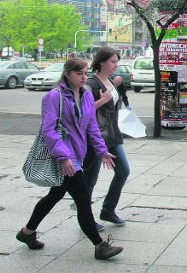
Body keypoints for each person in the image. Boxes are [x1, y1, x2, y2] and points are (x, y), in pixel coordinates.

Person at [16, 58, 123, 260]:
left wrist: (102, 151)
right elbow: (49, 130)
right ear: (67, 74)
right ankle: (100, 246)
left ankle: (27, 232)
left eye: (85, 73)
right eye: (79, 74)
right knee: (83, 201)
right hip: (64, 157)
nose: (84, 78)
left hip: (78, 155)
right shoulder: (54, 97)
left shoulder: (86, 96)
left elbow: (91, 127)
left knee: (54, 195)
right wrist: (63, 157)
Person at [84, 47, 130, 227]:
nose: (115, 65)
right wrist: (101, 101)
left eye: (117, 62)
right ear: (101, 61)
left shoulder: (110, 81)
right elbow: (82, 110)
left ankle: (108, 210)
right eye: (112, 61)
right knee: (90, 180)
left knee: (123, 170)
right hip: (96, 137)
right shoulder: (92, 84)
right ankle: (86, 219)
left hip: (112, 135)